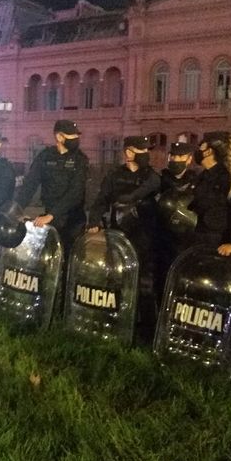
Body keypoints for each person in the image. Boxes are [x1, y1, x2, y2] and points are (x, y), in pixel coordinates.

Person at [88, 135, 160, 345]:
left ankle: (146, 331)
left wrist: (129, 199)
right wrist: (94, 221)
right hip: (119, 236)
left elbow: (149, 190)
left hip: (144, 237)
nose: (146, 154)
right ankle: (115, 321)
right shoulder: (114, 176)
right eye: (141, 150)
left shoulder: (152, 177)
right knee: (116, 280)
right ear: (129, 152)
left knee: (145, 285)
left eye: (147, 150)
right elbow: (101, 200)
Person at [17, 119, 88, 257]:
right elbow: (30, 184)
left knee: (69, 258)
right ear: (59, 137)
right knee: (48, 258)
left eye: (76, 136)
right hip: (50, 215)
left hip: (72, 220)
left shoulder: (80, 159)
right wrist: (17, 209)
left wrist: (52, 215)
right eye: (72, 136)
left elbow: (75, 192)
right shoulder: (45, 156)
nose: (76, 139)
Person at [189, 131, 231, 256]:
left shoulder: (230, 181)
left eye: (201, 146)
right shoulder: (201, 177)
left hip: (219, 248)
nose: (198, 150)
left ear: (209, 151)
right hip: (197, 244)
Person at [156, 141, 197, 296]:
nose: (176, 160)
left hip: (186, 240)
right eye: (173, 156)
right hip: (163, 240)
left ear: (188, 159)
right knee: (162, 285)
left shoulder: (196, 181)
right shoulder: (160, 180)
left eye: (180, 156)